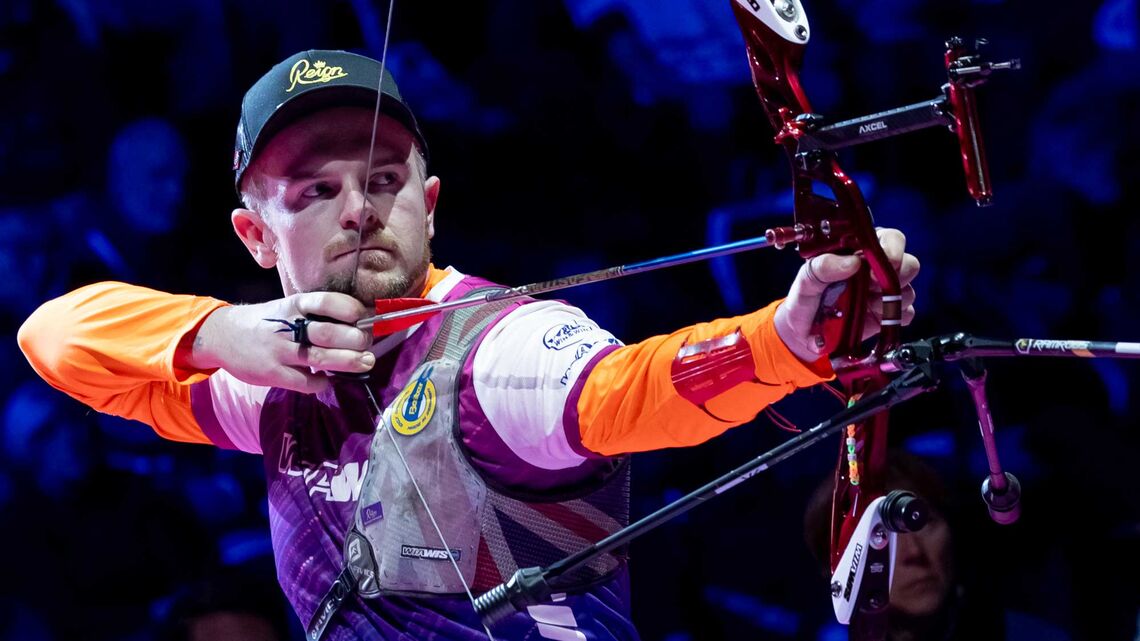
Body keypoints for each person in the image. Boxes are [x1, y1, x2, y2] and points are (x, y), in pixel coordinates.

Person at [17, 49, 919, 640]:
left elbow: (629, 389)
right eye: (316, 191)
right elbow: (53, 338)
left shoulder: (498, 348)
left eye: (383, 179)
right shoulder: (272, 380)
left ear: (430, 202)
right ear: (256, 237)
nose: (359, 209)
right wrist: (222, 332)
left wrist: (783, 340)